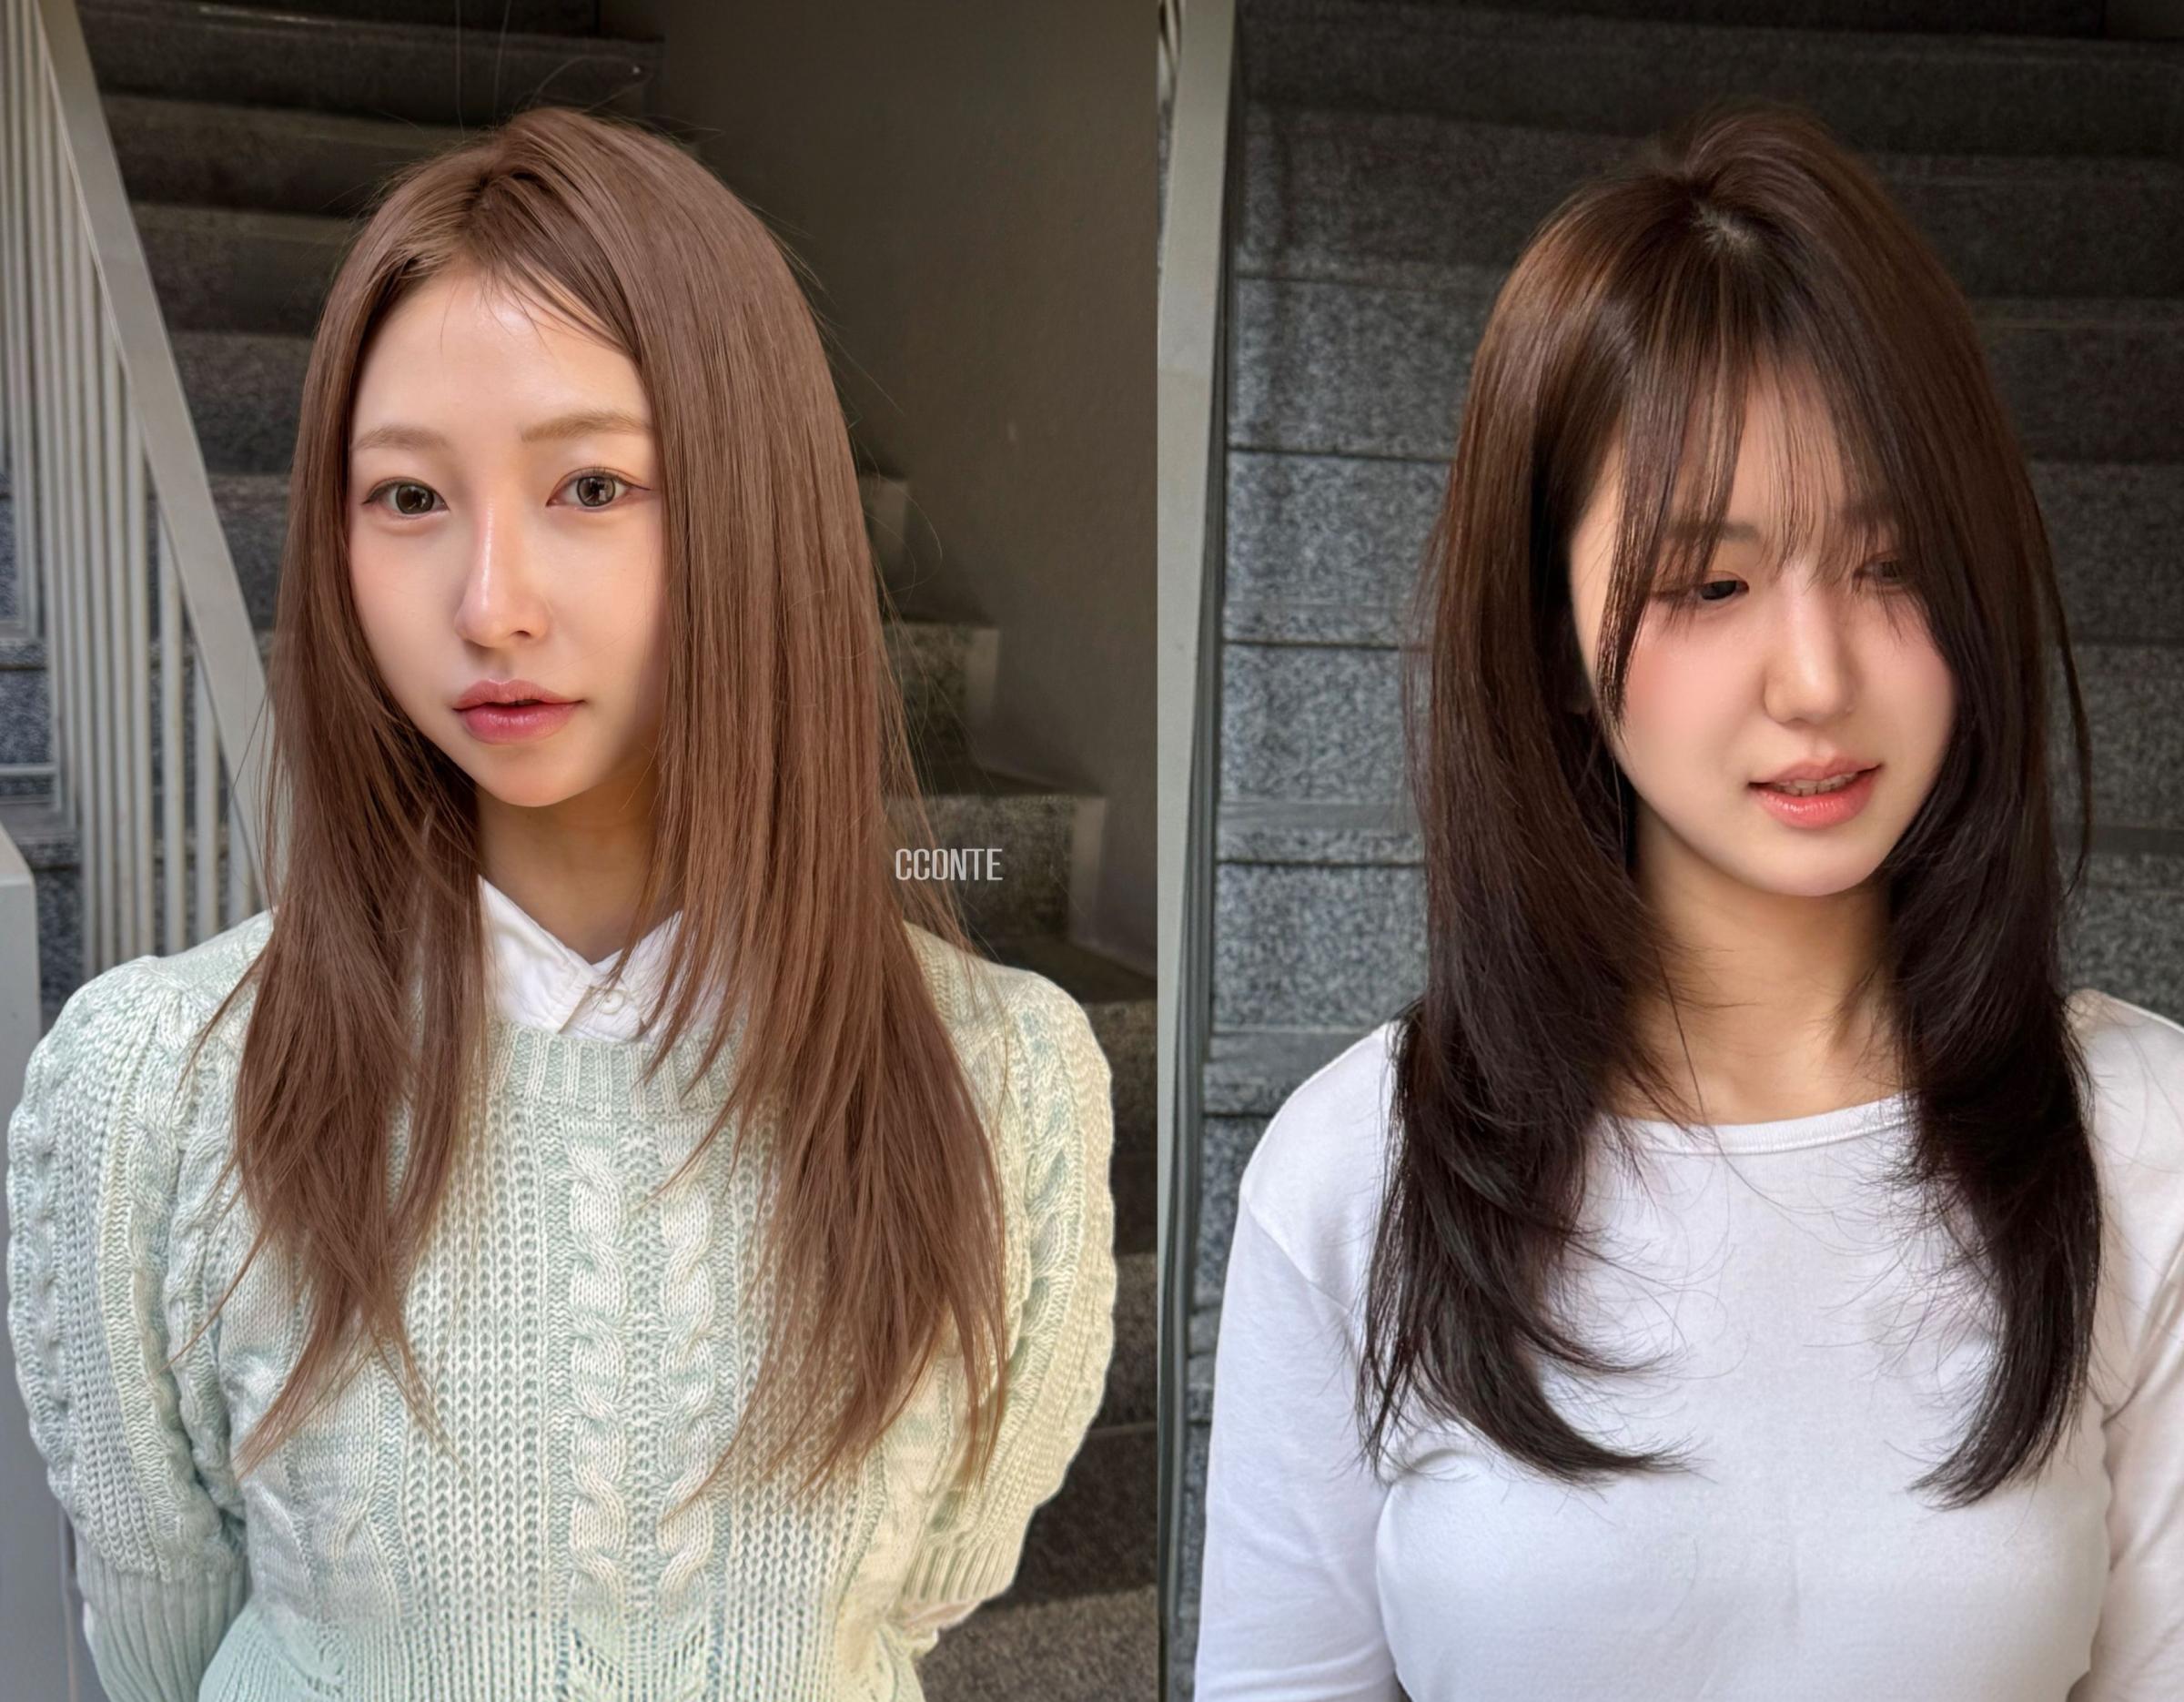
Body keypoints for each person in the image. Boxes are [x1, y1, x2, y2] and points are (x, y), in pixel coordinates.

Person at [5, 106, 1117, 1701]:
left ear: (756, 509)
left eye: (593, 485)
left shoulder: (1003, 1084)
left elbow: (905, 1605)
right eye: (407, 498)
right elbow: (168, 1633)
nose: (490, 603)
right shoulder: (157, 1089)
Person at [1193, 97, 2184, 1700]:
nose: (1818, 678)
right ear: (1554, 646)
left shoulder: (2145, 1144)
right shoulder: (1357, 1170)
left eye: (1892, 563)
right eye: (1708, 585)